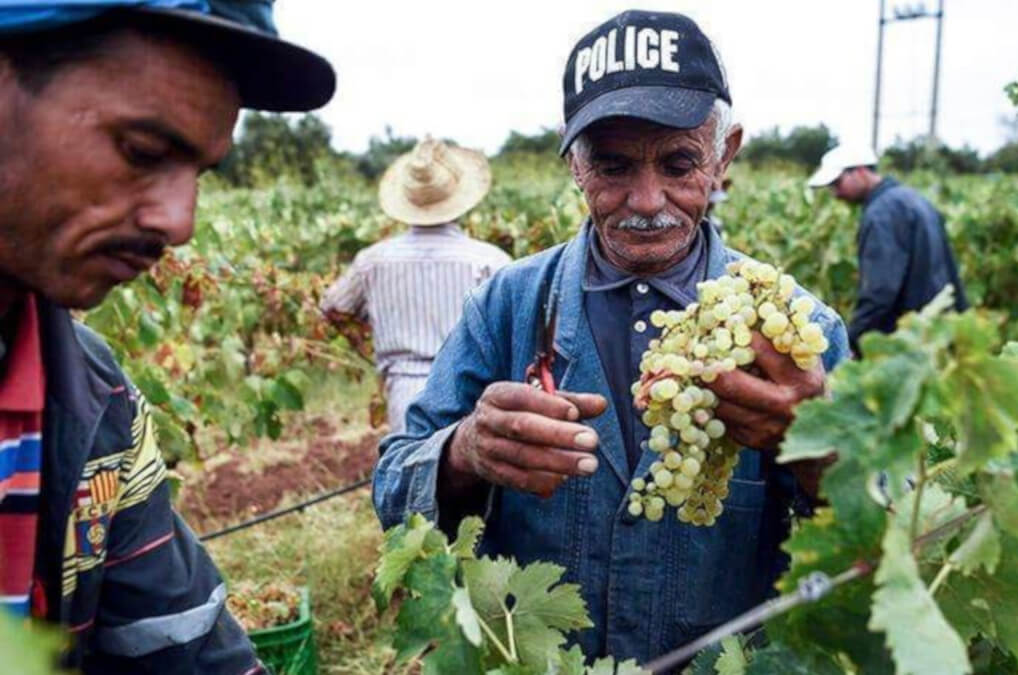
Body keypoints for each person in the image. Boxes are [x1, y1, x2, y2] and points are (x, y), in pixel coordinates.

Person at [374, 10, 849, 665]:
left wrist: (821, 451)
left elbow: (878, 535)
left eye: (679, 163)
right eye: (613, 166)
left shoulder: (801, 333)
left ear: (724, 154)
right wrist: (462, 454)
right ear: (573, 163)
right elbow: (393, 488)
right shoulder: (508, 306)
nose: (647, 199)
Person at [0, 1, 335, 671]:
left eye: (200, 173)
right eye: (143, 151)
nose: (180, 221)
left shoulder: (99, 405)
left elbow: (177, 643)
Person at [321, 138, 511, 432]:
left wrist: (364, 335)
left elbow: (333, 307)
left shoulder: (372, 261)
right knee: (472, 472)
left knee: (408, 473)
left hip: (404, 389)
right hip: (473, 390)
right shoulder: (490, 261)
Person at [808, 145, 968, 354]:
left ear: (860, 171)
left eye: (837, 183)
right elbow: (949, 269)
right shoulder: (913, 198)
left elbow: (880, 292)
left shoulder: (881, 213)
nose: (835, 193)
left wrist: (849, 342)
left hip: (907, 338)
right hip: (935, 329)